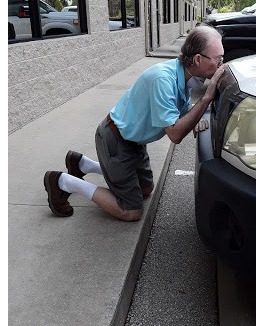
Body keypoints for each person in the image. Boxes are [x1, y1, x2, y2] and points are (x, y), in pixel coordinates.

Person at [44, 24, 226, 222]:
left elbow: (180, 114)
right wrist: (207, 98)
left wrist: (193, 117)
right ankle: (63, 182)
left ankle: (82, 164)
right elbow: (174, 134)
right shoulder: (163, 79)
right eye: (218, 59)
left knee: (146, 190)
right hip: (115, 140)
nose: (221, 65)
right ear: (198, 59)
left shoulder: (184, 76)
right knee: (131, 211)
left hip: (133, 142)